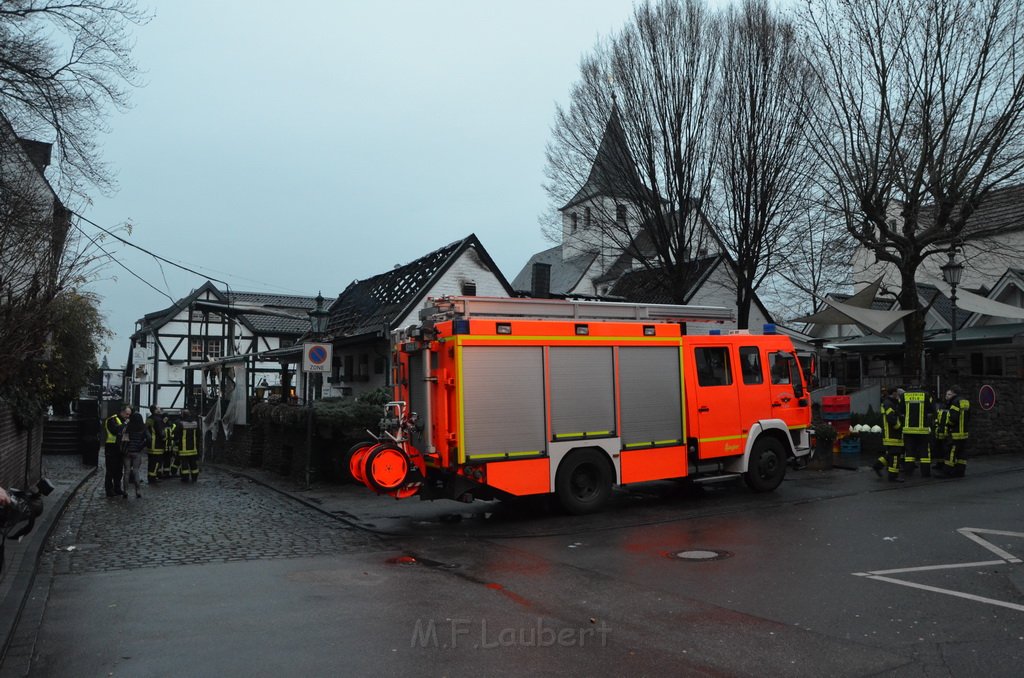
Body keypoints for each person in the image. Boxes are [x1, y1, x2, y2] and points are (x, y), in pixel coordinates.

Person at [901, 384, 935, 478]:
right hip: (922, 430)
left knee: (909, 453)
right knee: (924, 453)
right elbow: (932, 410)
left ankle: (908, 472)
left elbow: (900, 411)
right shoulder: (926, 395)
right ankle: (925, 473)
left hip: (908, 430)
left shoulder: (904, 395)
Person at [935, 385, 970, 477]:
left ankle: (947, 472)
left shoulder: (955, 402)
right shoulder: (965, 401)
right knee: (962, 453)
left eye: (950, 393)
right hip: (964, 433)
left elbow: (953, 418)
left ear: (954, 393)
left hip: (955, 433)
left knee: (951, 452)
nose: (948, 396)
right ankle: (960, 471)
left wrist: (948, 424)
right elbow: (968, 416)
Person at [874, 387, 904, 482]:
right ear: (894, 393)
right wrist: (899, 427)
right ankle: (893, 476)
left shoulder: (889, 403)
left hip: (891, 434)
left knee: (891, 454)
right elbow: (891, 419)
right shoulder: (889, 404)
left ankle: (877, 466)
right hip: (892, 434)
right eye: (898, 394)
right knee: (895, 455)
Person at [103, 406, 131, 497]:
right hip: (111, 447)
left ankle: (117, 488)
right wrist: (125, 424)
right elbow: (115, 430)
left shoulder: (123, 420)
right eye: (127, 414)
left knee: (119, 470)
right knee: (110, 470)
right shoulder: (112, 420)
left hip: (120, 448)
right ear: (122, 412)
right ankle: (109, 490)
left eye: (129, 415)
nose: (128, 416)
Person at [121, 411, 150, 499]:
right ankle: (137, 491)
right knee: (136, 471)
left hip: (127, 452)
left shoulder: (128, 427)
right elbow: (149, 438)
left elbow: (123, 439)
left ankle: (125, 491)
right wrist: (141, 446)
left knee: (126, 471)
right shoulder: (143, 428)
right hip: (137, 452)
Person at [176, 409, 200, 483]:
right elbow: (198, 435)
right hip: (193, 448)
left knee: (184, 464)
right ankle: (194, 477)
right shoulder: (195, 423)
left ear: (183, 415)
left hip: (184, 449)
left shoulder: (181, 424)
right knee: (193, 464)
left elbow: (177, 436)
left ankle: (185, 478)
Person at [145, 407, 166, 484]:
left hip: (150, 444)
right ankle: (153, 478)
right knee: (157, 462)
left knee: (151, 462)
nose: (160, 409)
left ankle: (150, 476)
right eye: (158, 408)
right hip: (157, 444)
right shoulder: (158, 420)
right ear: (155, 410)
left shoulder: (149, 419)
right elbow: (161, 432)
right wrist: (165, 438)